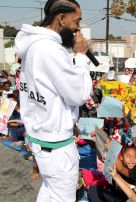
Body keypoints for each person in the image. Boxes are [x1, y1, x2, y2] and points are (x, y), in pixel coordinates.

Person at [15, 0, 92, 201]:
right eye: (77, 21)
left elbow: (51, 94)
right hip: (57, 147)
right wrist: (81, 56)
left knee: (49, 191)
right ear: (61, 18)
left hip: (40, 139)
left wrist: (67, 117)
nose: (78, 28)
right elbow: (79, 94)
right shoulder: (50, 49)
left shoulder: (32, 45)